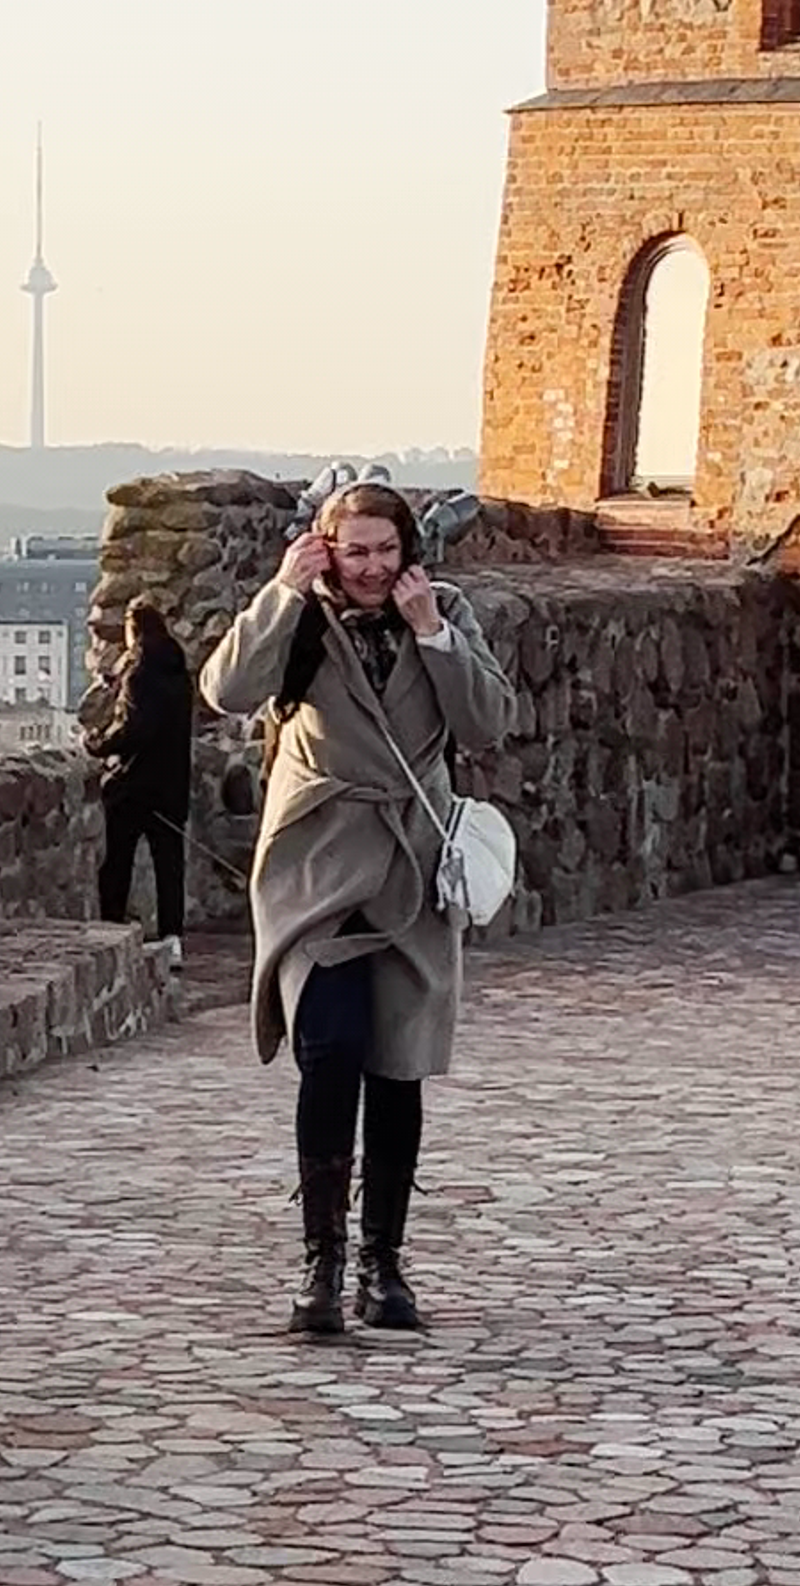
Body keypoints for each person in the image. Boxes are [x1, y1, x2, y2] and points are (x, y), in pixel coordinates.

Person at [197, 485, 513, 1341]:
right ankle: (321, 1259)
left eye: (384, 549)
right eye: (354, 550)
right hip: (320, 858)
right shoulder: (299, 616)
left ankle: (384, 1260)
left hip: (410, 859)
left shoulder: (442, 612)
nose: (371, 568)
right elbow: (226, 686)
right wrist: (282, 591)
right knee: (328, 1047)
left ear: (408, 548)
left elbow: (487, 721)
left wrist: (433, 637)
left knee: (397, 1061)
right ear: (326, 547)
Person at [84, 591, 194, 950]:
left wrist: (98, 744)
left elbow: (134, 729)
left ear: (134, 631)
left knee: (118, 861)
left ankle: (112, 931)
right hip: (172, 785)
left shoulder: (139, 674)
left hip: (134, 784)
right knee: (169, 866)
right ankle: (172, 937)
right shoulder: (180, 674)